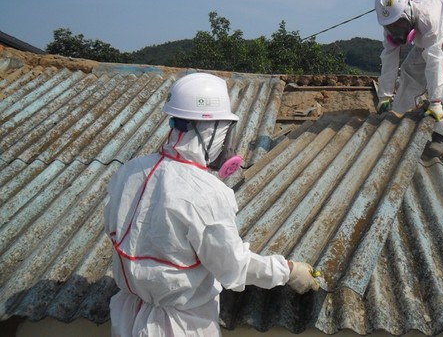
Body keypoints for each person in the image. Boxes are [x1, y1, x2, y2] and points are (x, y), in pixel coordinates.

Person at [104, 72, 319, 337]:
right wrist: (287, 270)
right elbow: (233, 267)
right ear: (211, 130)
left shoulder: (128, 171)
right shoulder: (206, 193)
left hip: (127, 317)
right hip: (180, 327)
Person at [374, 0, 443, 157]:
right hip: (427, 38)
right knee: (408, 71)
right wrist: (384, 96)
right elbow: (389, 57)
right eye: (391, 26)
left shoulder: (429, 18)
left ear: (407, 13)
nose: (396, 30)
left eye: (399, 24)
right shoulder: (389, 25)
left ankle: (440, 135)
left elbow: (434, 60)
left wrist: (435, 101)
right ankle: (398, 117)